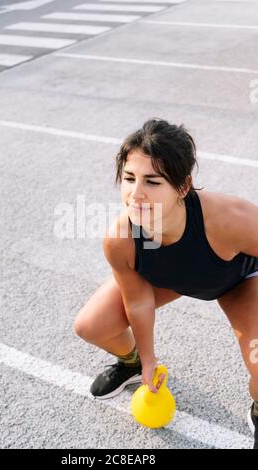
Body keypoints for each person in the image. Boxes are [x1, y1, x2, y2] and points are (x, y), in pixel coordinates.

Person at [74, 118, 258, 449]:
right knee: (91, 325)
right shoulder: (121, 238)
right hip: (175, 278)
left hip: (237, 278)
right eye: (129, 179)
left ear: (183, 187)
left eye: (153, 182)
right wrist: (147, 360)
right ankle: (127, 364)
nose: (136, 194)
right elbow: (139, 301)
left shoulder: (231, 218)